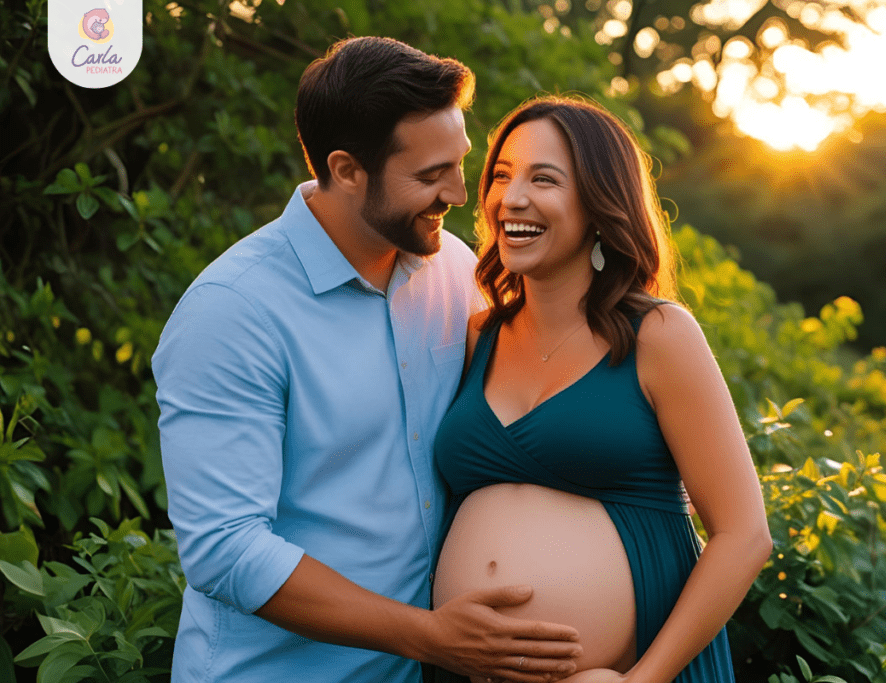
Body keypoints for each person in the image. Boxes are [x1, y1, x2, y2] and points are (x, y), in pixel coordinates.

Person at [152, 38, 584, 683]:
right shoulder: (231, 312)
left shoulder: (458, 272)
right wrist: (431, 637)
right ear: (348, 169)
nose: (462, 195)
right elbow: (226, 550)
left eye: (461, 164)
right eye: (431, 175)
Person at [430, 95, 774, 683]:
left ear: (597, 203)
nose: (511, 198)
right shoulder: (477, 334)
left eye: (544, 179)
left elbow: (744, 536)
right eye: (503, 176)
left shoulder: (660, 335)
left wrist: (645, 678)